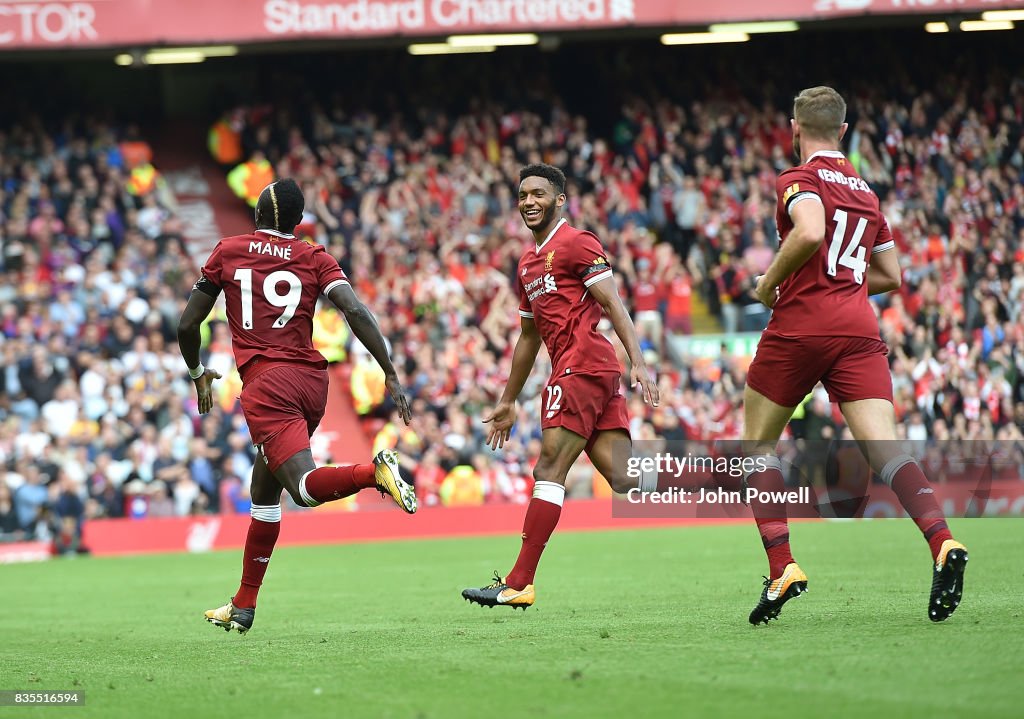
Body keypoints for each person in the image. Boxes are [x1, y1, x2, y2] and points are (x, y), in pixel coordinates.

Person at [743, 87, 967, 625]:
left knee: (754, 448)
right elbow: (890, 275)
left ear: (795, 127)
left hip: (800, 324)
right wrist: (844, 288)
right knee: (887, 451)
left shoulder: (798, 179)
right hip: (858, 328)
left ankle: (783, 567)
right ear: (843, 131)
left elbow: (812, 228)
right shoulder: (867, 193)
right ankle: (942, 541)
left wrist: (769, 284)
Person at [177, 179, 416, 635]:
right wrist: (389, 370)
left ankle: (374, 473)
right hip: (312, 382)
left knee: (304, 489)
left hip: (269, 385)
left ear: (258, 214)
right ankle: (243, 604)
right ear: (295, 220)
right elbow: (357, 311)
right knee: (264, 496)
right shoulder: (314, 256)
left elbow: (188, 324)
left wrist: (197, 372)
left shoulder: (229, 251)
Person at [461, 164, 659, 610]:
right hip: (585, 373)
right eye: (522, 195)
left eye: (538, 194)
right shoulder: (527, 263)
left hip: (581, 368)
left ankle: (518, 582)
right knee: (626, 478)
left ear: (559, 200)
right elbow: (529, 336)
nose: (529, 201)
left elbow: (613, 303)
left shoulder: (577, 242)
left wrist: (641, 363)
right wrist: (508, 399)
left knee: (549, 469)